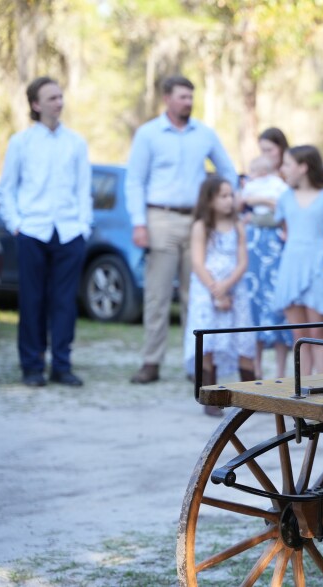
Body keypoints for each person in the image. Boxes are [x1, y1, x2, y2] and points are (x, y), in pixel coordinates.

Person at [126, 75, 238, 384]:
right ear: (167, 99)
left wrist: (229, 202)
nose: (188, 102)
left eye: (191, 97)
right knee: (158, 294)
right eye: (182, 97)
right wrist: (139, 222)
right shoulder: (148, 134)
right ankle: (151, 362)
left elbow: (227, 169)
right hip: (159, 217)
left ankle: (198, 363)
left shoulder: (204, 133)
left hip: (198, 221)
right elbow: (134, 179)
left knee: (197, 295)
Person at [0, 76, 91, 387]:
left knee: (64, 302)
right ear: (36, 104)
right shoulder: (20, 143)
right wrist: (16, 225)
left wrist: (83, 228)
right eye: (51, 98)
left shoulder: (75, 143)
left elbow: (83, 190)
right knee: (32, 301)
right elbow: (6, 190)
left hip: (68, 233)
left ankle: (62, 365)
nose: (58, 102)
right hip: (32, 232)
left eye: (60, 96)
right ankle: (32, 366)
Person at [273, 145, 323, 376]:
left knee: (318, 333)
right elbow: (285, 229)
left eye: (287, 164)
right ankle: (302, 387)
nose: (283, 169)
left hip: (320, 268)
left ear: (303, 167)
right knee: (299, 335)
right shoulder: (285, 198)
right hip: (291, 267)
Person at [183, 176, 255, 416]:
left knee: (243, 338)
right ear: (210, 199)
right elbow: (197, 261)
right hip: (207, 289)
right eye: (223, 196)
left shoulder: (237, 226)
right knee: (208, 339)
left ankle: (250, 396)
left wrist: (228, 286)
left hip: (235, 289)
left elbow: (243, 261)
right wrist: (216, 289)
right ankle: (211, 396)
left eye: (231, 195)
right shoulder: (201, 226)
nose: (229, 200)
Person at [239, 153, 292, 379]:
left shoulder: (279, 184)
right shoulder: (250, 185)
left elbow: (284, 206)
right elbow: (243, 201)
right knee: (254, 306)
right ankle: (256, 370)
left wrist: (262, 201)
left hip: (276, 248)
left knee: (278, 308)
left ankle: (281, 371)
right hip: (254, 249)